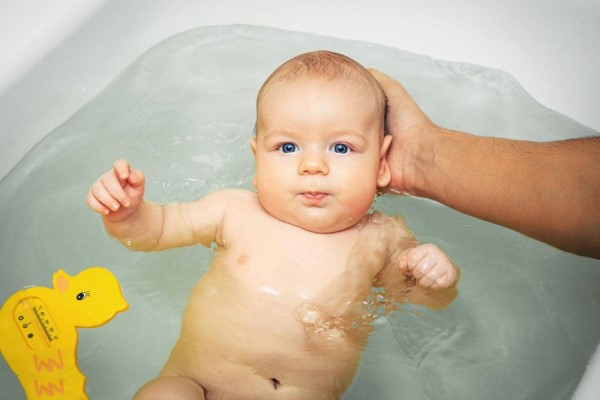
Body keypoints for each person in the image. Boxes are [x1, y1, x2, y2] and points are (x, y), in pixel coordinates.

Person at [86, 51, 459, 400]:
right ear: (256, 159)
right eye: (288, 147)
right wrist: (128, 214)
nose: (313, 166)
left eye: (341, 148)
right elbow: (155, 231)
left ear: (381, 164)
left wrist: (434, 278)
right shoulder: (233, 210)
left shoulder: (384, 237)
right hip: (195, 382)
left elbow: (416, 301)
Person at [370, 69, 600, 259]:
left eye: (349, 148)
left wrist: (428, 274)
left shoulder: (384, 235)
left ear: (381, 163)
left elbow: (414, 294)